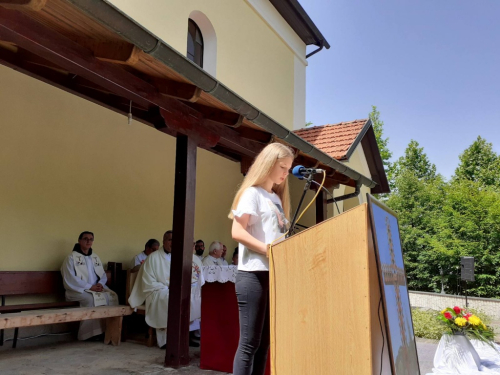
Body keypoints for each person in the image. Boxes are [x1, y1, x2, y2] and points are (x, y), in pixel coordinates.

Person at [229, 143, 293, 375]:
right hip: (252, 275)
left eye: (289, 168)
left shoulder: (275, 198)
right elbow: (237, 232)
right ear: (267, 164)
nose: (286, 172)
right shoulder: (251, 194)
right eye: (282, 166)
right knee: (249, 344)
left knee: (264, 343)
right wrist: (268, 250)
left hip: (272, 275)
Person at [128, 230, 204, 348]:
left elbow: (193, 277)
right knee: (171, 298)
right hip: (158, 291)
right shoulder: (153, 258)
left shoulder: (186, 257)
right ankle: (166, 340)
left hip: (178, 290)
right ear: (164, 241)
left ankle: (186, 336)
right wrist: (169, 288)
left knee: (194, 297)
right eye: (170, 240)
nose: (173, 243)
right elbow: (149, 282)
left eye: (175, 240)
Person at [61, 231, 119, 341]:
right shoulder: (71, 258)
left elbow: (102, 275)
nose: (88, 241)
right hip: (77, 291)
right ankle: (89, 335)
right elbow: (70, 278)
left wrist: (100, 284)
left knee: (112, 296)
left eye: (91, 239)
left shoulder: (95, 257)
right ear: (79, 241)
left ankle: (108, 331)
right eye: (85, 238)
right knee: (92, 299)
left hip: (95, 288)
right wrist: (89, 286)